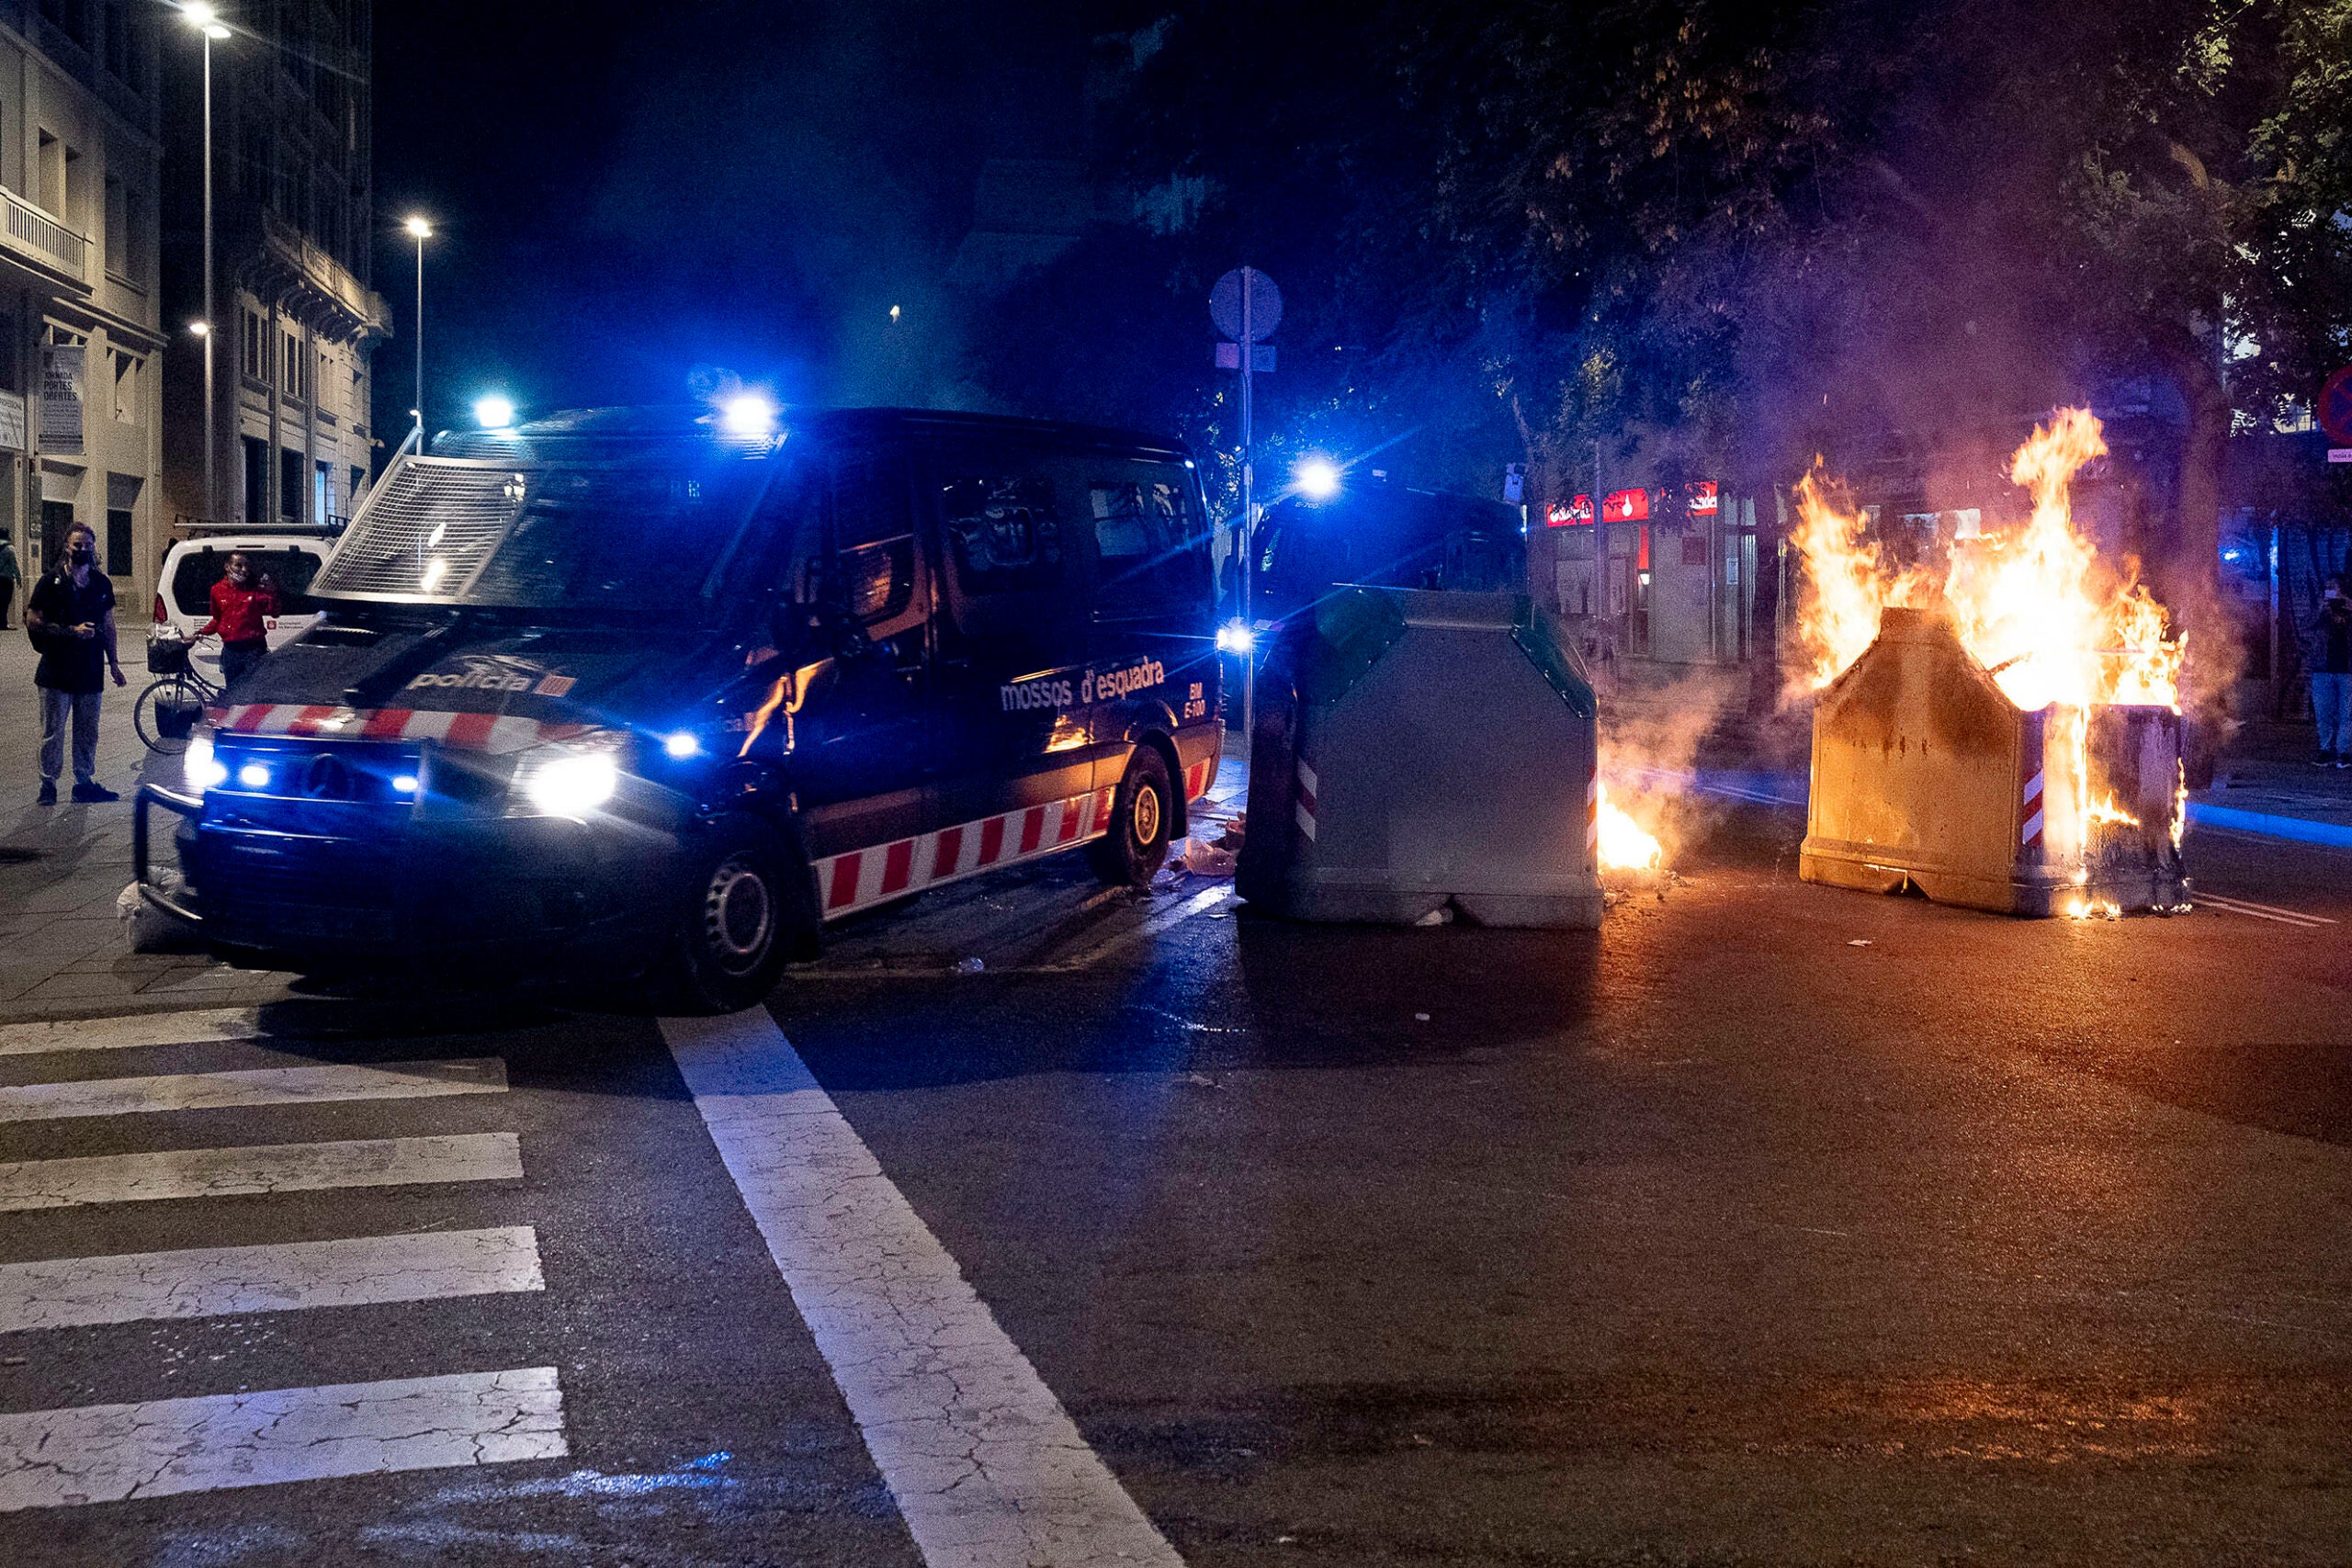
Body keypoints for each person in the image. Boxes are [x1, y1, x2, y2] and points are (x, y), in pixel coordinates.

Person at [24, 522, 126, 804]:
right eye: (77, 545)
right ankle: (48, 785)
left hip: (90, 670)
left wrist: (114, 664)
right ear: (67, 548)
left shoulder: (101, 583)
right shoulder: (50, 581)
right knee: (52, 732)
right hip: (56, 670)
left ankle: (84, 782)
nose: (83, 549)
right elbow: (33, 620)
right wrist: (71, 631)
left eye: (87, 545)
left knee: (87, 732)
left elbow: (109, 625)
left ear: (94, 548)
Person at [195, 550, 277, 686]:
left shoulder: (256, 589)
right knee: (232, 692)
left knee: (254, 693)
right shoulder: (217, 590)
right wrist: (201, 632)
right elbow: (217, 619)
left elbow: (273, 612)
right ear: (227, 566)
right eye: (239, 565)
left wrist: (272, 592)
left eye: (247, 566)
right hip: (231, 651)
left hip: (254, 650)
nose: (244, 570)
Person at [2311, 574, 2352, 768]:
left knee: (2347, 713)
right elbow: (2306, 624)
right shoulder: (2320, 609)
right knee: (2324, 712)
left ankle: (2344, 752)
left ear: (2342, 589)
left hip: (2347, 669)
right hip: (2322, 668)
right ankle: (2326, 750)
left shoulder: (2349, 608)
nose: (2330, 589)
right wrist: (2320, 610)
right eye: (2327, 586)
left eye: (2333, 586)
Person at [0, 531, 18, 630]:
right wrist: (19, 578)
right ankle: (3, 623)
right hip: (6, 579)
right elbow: (14, 565)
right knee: (5, 601)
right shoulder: (9, 548)